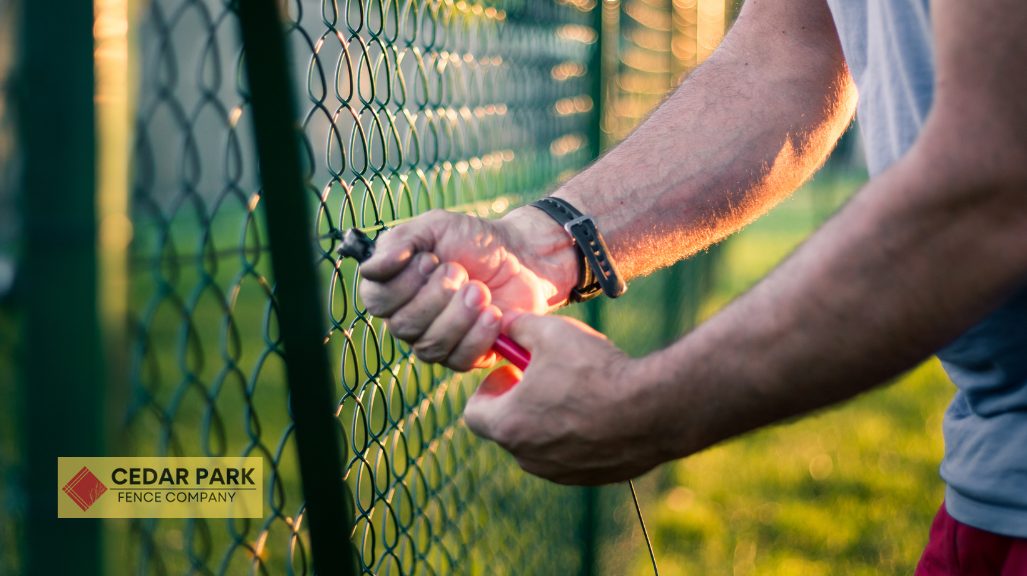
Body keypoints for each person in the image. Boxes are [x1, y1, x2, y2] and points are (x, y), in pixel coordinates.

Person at [357, 0, 1027, 571]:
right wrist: (537, 247)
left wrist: (641, 409)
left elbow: (993, 180)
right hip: (989, 482)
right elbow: (783, 60)